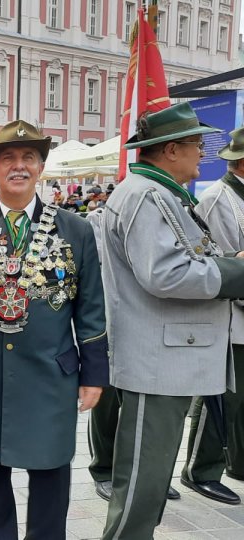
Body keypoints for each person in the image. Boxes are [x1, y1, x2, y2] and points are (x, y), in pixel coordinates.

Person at [97, 103, 244, 539]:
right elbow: (166, 274)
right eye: (197, 145)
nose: (204, 153)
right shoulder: (146, 194)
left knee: (151, 480)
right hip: (156, 362)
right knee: (141, 484)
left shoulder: (156, 191)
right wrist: (237, 272)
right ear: (171, 150)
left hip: (168, 357)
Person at [0, 120, 108, 538]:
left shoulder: (75, 229)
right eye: (8, 158)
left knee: (50, 477)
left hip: (49, 376)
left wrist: (94, 374)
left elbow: (91, 306)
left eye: (28, 158)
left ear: (41, 167)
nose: (18, 166)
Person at [180, 126, 244, 505]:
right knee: (222, 395)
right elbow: (222, 263)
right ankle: (200, 470)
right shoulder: (220, 198)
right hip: (229, 315)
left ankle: (235, 463)